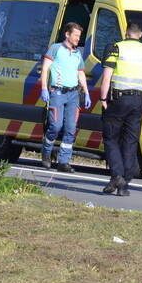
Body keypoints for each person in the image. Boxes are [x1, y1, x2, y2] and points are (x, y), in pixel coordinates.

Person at [98, 22, 142, 196]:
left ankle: (117, 175)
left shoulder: (117, 48)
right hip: (139, 101)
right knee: (130, 142)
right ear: (140, 34)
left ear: (126, 33)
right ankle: (123, 184)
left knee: (111, 138)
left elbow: (107, 76)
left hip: (118, 100)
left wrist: (103, 98)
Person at [39, 22, 91, 172]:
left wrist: (86, 92)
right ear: (67, 34)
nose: (77, 38)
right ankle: (47, 152)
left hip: (74, 94)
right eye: (75, 35)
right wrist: (44, 88)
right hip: (58, 93)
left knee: (70, 128)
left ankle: (64, 162)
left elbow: (80, 73)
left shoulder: (77, 53)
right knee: (55, 126)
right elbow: (45, 68)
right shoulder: (55, 48)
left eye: (79, 36)